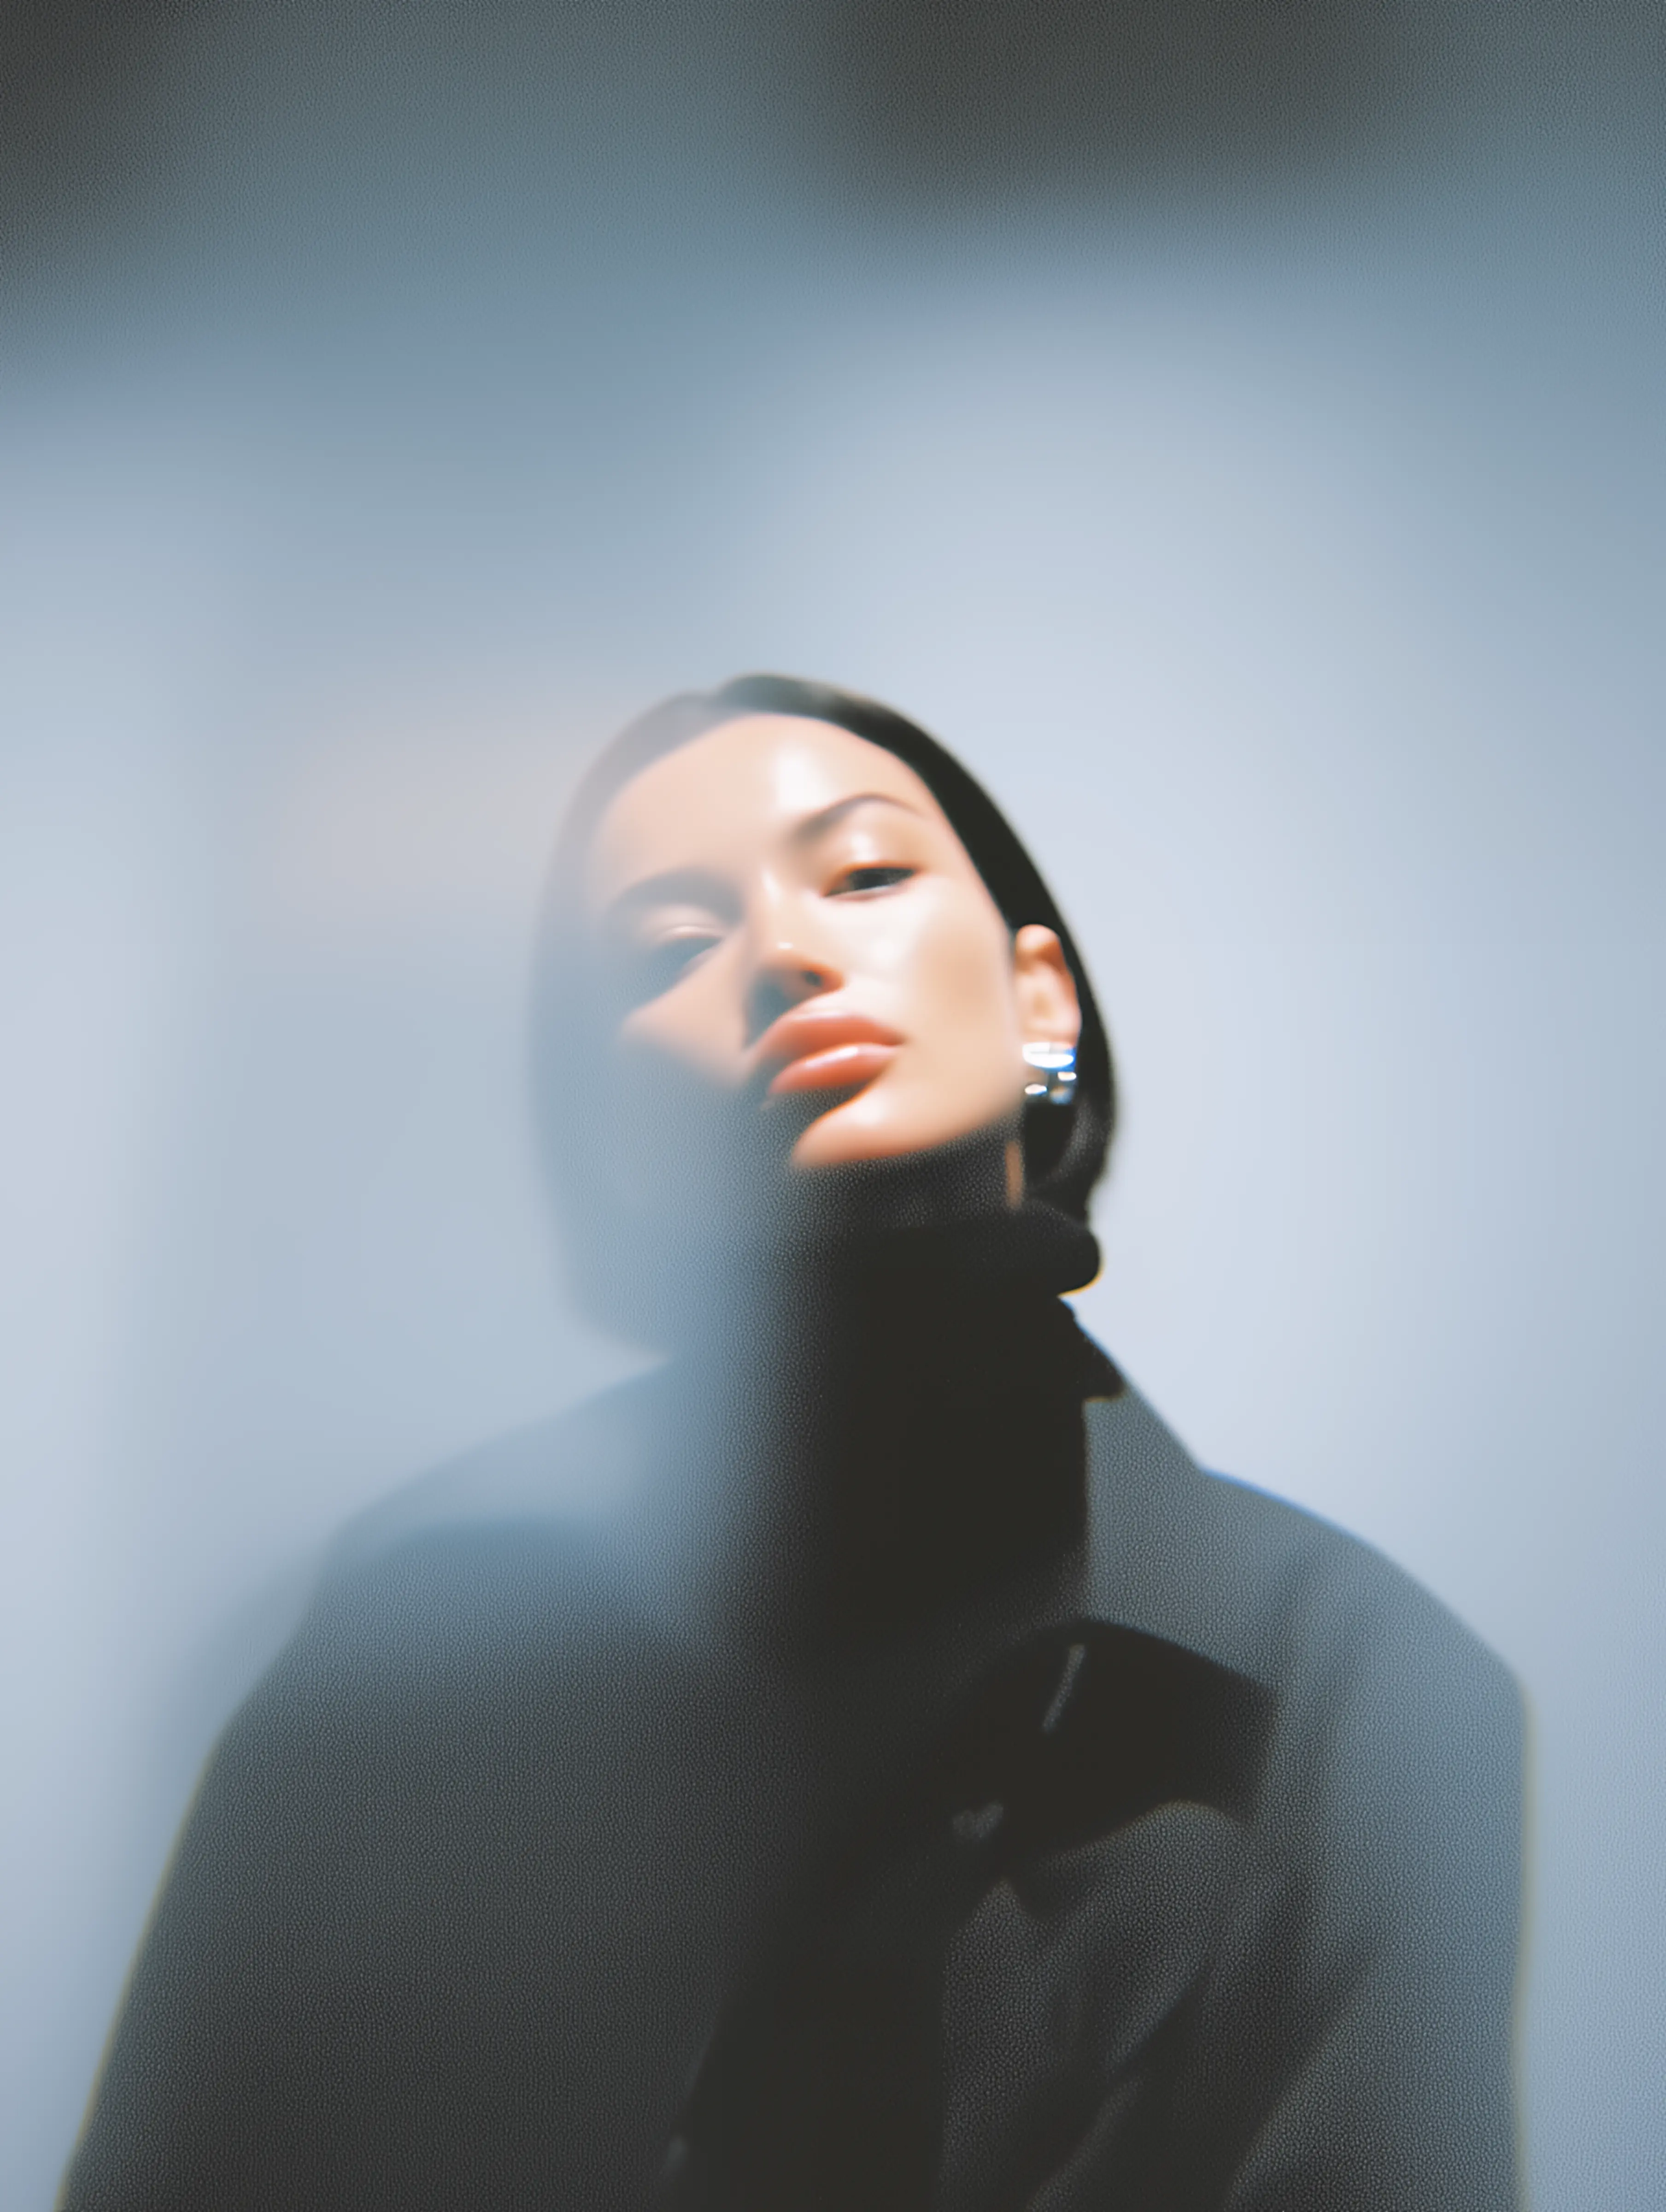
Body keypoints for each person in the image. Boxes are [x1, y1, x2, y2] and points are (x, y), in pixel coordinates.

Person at [61, 675, 1523, 2211]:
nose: (786, 955)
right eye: (670, 949)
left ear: (1042, 1004)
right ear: (613, 1127)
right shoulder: (393, 1664)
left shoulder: (1356, 1692)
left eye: (870, 875)